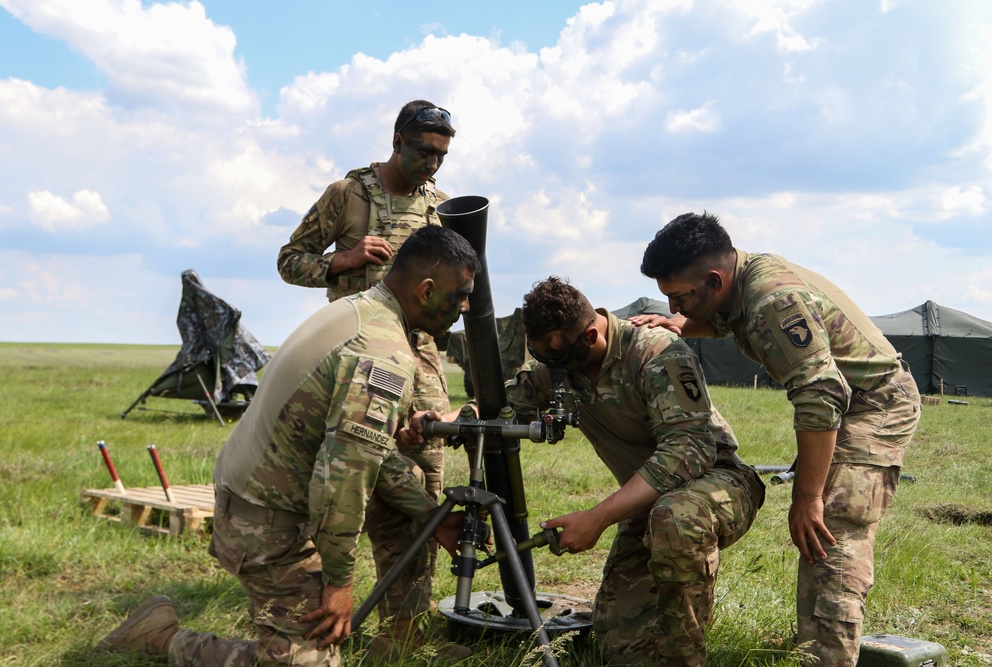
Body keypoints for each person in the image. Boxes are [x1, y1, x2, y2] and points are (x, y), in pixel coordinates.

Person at [96, 225, 481, 667]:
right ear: (427, 290)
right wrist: (338, 583)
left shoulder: (363, 310)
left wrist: (435, 519)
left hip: (278, 496)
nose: (465, 306)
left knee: (407, 491)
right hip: (264, 523)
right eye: (461, 295)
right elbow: (346, 476)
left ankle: (403, 639)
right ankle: (162, 636)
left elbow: (368, 453)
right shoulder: (381, 352)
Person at [411, 276, 765, 667]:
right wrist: (449, 418)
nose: (552, 370)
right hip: (648, 502)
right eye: (543, 358)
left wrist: (596, 518)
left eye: (559, 359)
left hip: (717, 483)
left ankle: (686, 658)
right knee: (618, 639)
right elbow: (506, 405)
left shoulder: (656, 353)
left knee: (676, 520)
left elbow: (689, 448)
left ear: (591, 335)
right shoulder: (559, 361)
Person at [638, 212, 921, 667]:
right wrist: (684, 328)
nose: (673, 309)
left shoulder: (772, 296)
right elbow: (734, 322)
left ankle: (828, 656)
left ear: (713, 278)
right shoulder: (740, 281)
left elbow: (820, 395)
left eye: (678, 298)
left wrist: (807, 496)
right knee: (819, 528)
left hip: (875, 405)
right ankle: (815, 644)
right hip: (847, 401)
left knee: (831, 528)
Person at [276, 100, 460, 654]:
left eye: (442, 155)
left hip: (421, 360)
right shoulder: (347, 195)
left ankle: (405, 626)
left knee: (424, 483)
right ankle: (325, 603)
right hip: (355, 354)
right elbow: (290, 260)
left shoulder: (442, 207)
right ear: (397, 139)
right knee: (350, 472)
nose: (432, 164)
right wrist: (342, 260)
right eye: (423, 150)